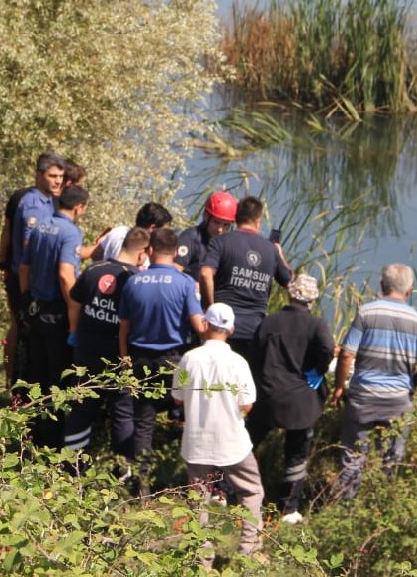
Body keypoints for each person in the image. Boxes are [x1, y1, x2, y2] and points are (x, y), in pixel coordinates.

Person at [331, 264, 417, 501]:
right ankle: (379, 506)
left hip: (363, 398)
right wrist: (413, 383)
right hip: (398, 402)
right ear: (410, 290)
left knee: (352, 458)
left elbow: (347, 354)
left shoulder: (366, 313)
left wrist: (340, 387)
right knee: (390, 459)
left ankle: (344, 511)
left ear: (382, 286)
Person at [171, 303, 264, 562]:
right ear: (231, 329)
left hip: (197, 440)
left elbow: (177, 398)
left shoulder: (189, 359)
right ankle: (248, 551)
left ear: (205, 325)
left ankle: (203, 560)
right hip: (232, 440)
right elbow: (247, 403)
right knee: (251, 492)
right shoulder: (238, 362)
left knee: (198, 499)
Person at [118, 228, 205, 494]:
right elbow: (199, 327)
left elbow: (123, 327)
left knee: (144, 422)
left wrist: (124, 360)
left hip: (141, 359)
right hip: (175, 361)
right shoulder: (185, 283)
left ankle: (142, 485)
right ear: (176, 251)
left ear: (151, 251)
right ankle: (193, 483)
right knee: (190, 418)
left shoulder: (134, 282)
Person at [247, 274, 334, 523]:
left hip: (267, 397)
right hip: (301, 400)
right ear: (312, 299)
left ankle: (227, 487)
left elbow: (255, 357)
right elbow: (327, 349)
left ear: (289, 294)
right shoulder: (316, 325)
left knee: (246, 443)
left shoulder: (269, 322)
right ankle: (288, 508)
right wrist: (318, 369)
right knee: (296, 452)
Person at [62, 226, 150, 466]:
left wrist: (73, 332)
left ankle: (71, 468)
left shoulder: (93, 270)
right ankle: (121, 471)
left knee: (80, 409)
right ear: (142, 254)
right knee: (122, 414)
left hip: (86, 353)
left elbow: (75, 302)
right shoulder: (136, 281)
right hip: (118, 358)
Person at [19, 184, 89, 448]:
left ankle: (32, 432)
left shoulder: (41, 225)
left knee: (36, 372)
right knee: (56, 378)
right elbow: (65, 275)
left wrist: (27, 301)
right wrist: (74, 324)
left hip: (36, 311)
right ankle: (50, 441)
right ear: (79, 207)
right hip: (57, 315)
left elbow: (24, 268)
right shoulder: (71, 232)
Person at [0, 151, 66, 385]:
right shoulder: (33, 204)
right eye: (52, 175)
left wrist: (2, 261)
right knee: (21, 328)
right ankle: (14, 382)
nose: (57, 181)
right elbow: (30, 246)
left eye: (60, 176)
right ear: (38, 175)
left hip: (23, 275)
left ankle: (19, 382)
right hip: (27, 279)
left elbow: (6, 232)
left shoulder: (46, 200)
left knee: (23, 329)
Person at [199, 196, 292, 361]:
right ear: (258, 220)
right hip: (255, 331)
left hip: (223, 328)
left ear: (236, 218)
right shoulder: (270, 249)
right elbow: (290, 283)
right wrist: (279, 253)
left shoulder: (220, 242)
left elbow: (206, 273)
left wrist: (209, 308)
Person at [175, 191, 237, 281]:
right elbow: (175, 272)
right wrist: (192, 286)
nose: (220, 229)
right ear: (206, 216)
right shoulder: (190, 237)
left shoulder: (228, 245)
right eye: (216, 222)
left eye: (226, 225)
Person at [92, 201, 173, 264]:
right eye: (163, 230)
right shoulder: (126, 239)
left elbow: (95, 255)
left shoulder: (118, 231)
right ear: (152, 228)